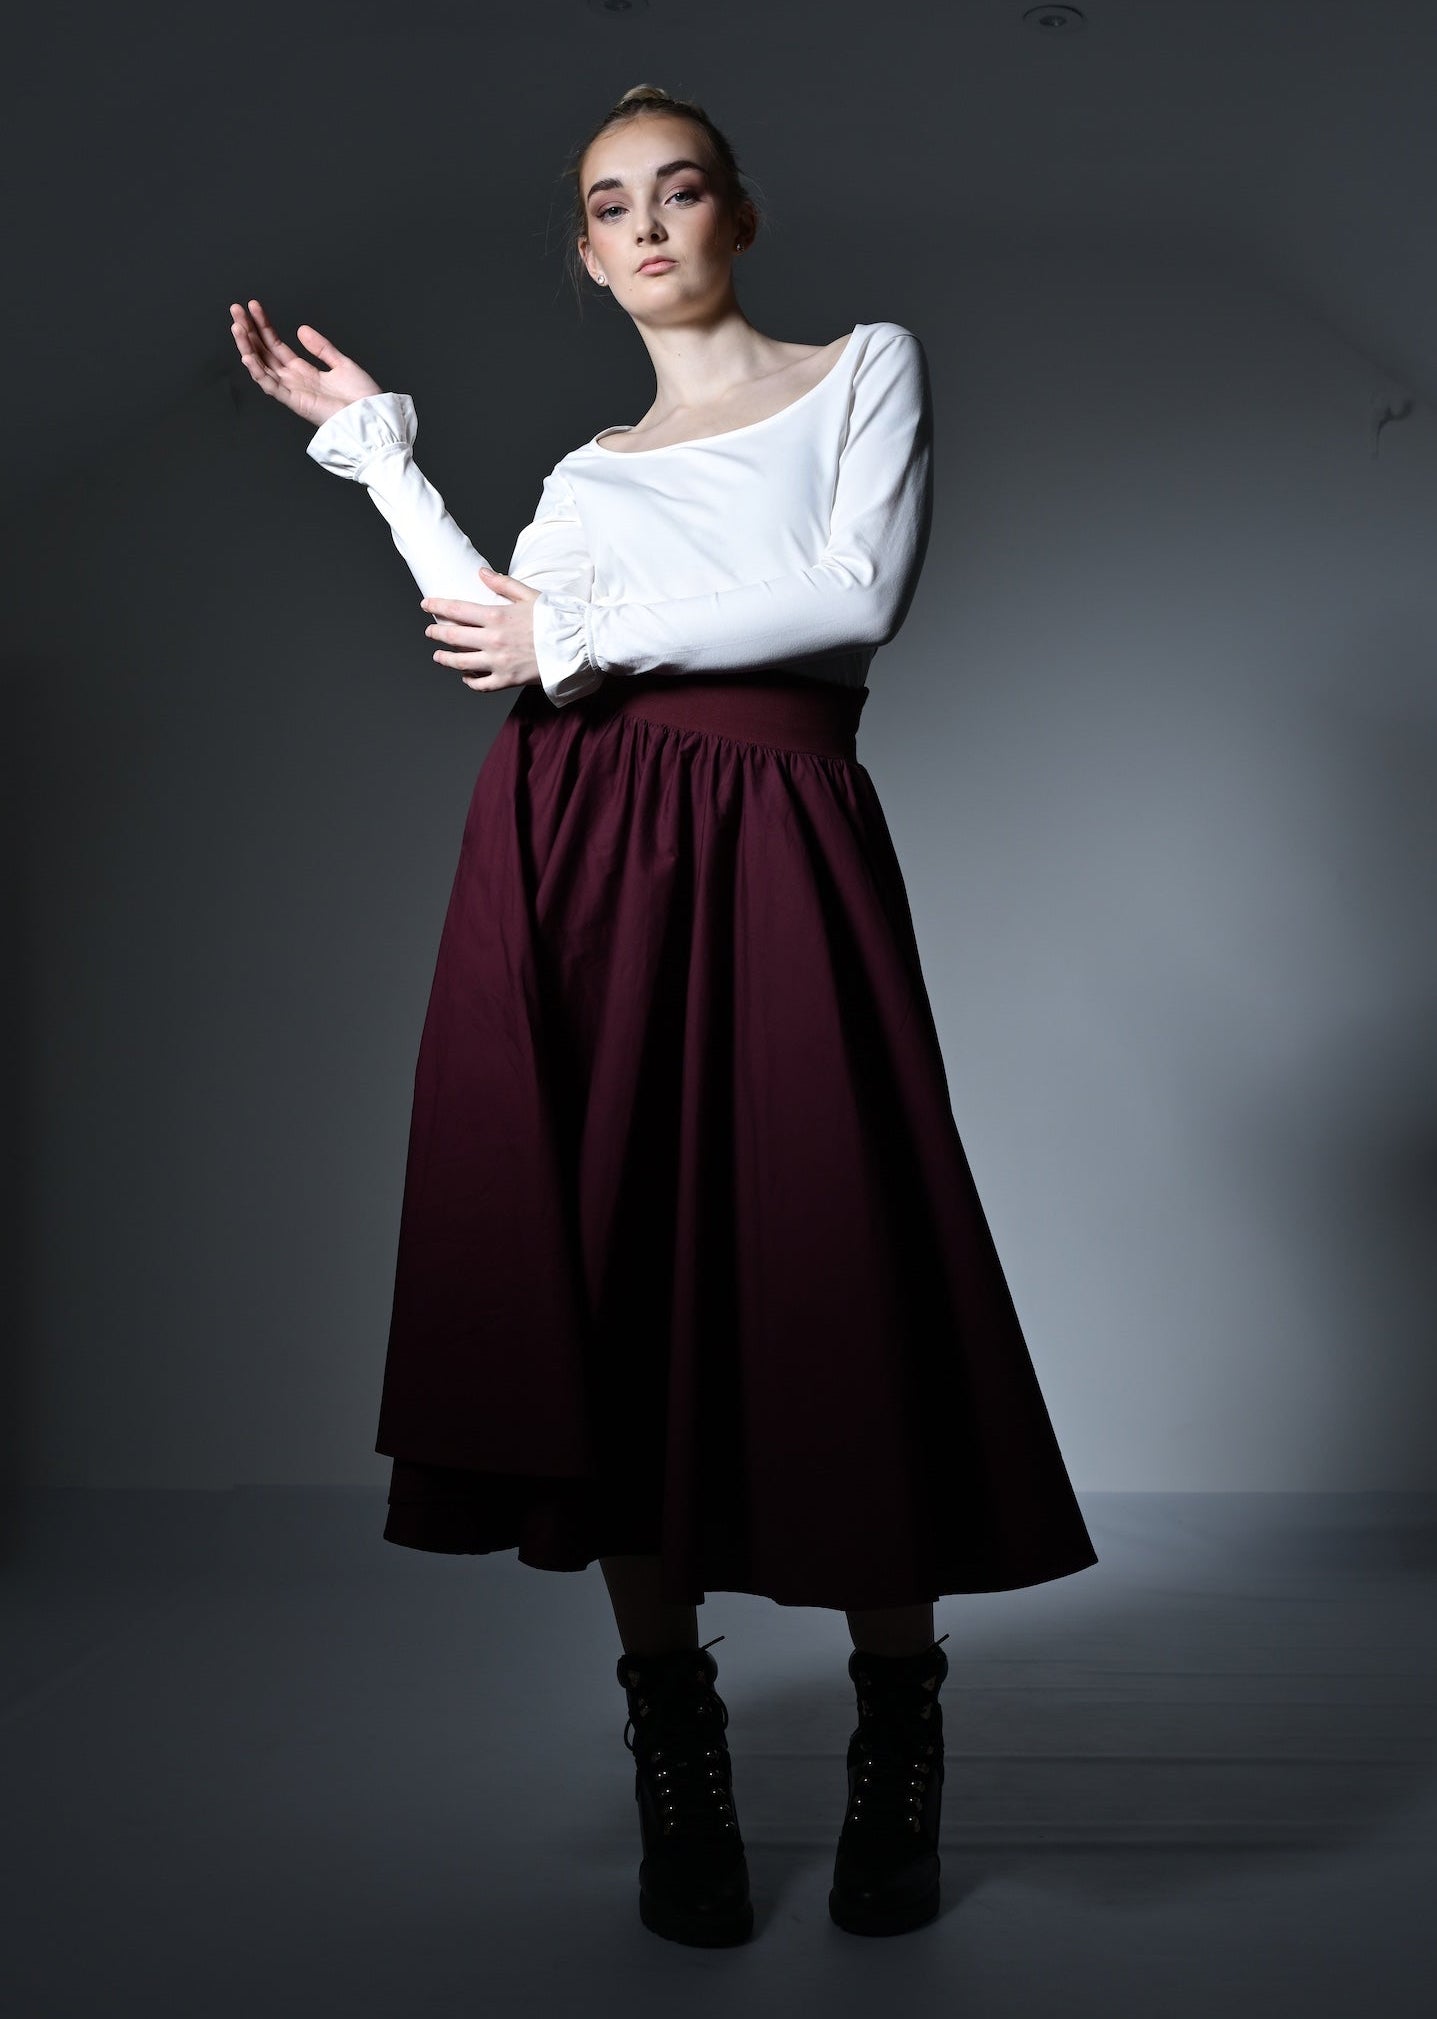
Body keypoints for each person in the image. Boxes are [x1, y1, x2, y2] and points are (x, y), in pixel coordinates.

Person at [229, 81, 1098, 1950]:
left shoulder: (863, 368)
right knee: (605, 1271)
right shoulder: (589, 475)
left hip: (776, 840)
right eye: (608, 203)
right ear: (585, 248)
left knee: (834, 1247)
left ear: (737, 216)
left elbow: (848, 597)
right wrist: (380, 455)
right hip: (576, 853)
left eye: (677, 189)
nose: (644, 225)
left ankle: (895, 1745)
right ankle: (676, 1758)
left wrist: (587, 640)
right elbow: (496, 637)